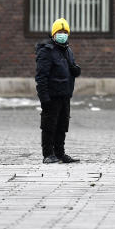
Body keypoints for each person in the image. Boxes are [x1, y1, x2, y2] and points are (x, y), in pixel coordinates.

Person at [35, 17, 81, 164]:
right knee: (49, 125)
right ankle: (48, 154)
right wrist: (44, 98)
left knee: (62, 125)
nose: (62, 34)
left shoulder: (67, 50)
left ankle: (60, 153)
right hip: (51, 96)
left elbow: (73, 69)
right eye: (59, 31)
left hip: (65, 95)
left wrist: (76, 70)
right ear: (54, 34)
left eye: (65, 31)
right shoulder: (46, 52)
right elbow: (41, 77)